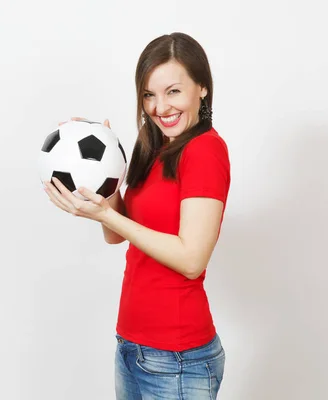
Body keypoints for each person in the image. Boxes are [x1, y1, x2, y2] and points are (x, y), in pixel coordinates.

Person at [43, 32, 231, 400]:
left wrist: (108, 216)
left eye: (173, 91)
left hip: (177, 358)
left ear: (202, 88)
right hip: (132, 345)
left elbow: (192, 259)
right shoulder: (157, 147)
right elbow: (117, 235)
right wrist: (99, 168)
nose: (160, 107)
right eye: (149, 95)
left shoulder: (205, 150)